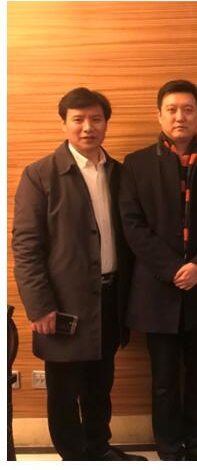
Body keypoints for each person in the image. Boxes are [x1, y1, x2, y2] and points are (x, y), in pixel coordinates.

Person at [12, 87, 145, 461]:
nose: (88, 127)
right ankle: (73, 457)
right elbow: (26, 247)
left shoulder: (119, 173)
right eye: (78, 119)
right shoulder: (40, 174)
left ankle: (99, 449)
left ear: (106, 123)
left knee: (101, 384)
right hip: (63, 303)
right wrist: (40, 306)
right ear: (64, 124)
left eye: (96, 119)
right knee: (64, 390)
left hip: (110, 297)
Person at [119, 79, 197, 461]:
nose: (180, 117)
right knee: (164, 380)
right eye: (171, 109)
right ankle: (170, 450)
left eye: (188, 109)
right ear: (158, 115)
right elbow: (132, 225)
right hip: (158, 291)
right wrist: (174, 269)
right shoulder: (136, 163)